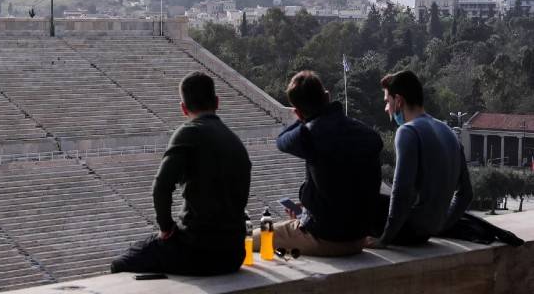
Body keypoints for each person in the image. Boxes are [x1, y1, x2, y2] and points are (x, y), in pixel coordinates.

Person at [110, 71, 251, 275]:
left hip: (197, 251)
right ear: (217, 102)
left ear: (184, 108)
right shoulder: (235, 140)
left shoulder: (189, 132)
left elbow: (161, 187)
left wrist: (167, 228)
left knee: (121, 264)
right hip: (233, 254)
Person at [253, 71, 383, 257]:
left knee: (251, 239)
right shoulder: (367, 133)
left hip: (325, 238)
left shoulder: (309, 135)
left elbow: (282, 140)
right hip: (359, 237)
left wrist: (304, 119)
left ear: (297, 112)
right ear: (327, 96)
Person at [367, 70, 473, 248]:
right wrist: (440, 225)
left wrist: (385, 239)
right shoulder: (449, 132)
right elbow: (466, 194)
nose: (386, 108)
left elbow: (401, 191)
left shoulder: (407, 131)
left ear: (399, 100)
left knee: (359, 190)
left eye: (387, 102)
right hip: (429, 230)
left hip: (408, 231)